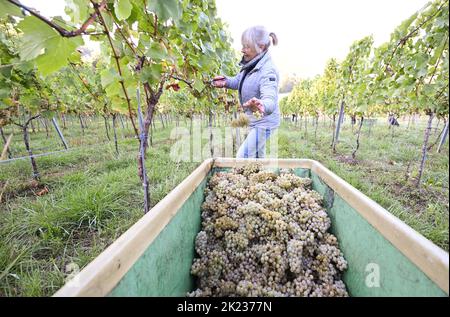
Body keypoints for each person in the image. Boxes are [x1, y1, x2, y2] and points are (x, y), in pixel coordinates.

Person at [213, 26, 280, 159]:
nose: (242, 50)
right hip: (255, 121)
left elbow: (270, 98)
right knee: (257, 157)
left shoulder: (268, 71)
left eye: (247, 46)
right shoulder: (251, 64)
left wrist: (263, 104)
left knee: (242, 155)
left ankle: (242, 178)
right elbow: (239, 81)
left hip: (264, 122)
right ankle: (262, 177)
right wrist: (226, 82)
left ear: (260, 47)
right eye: (243, 46)